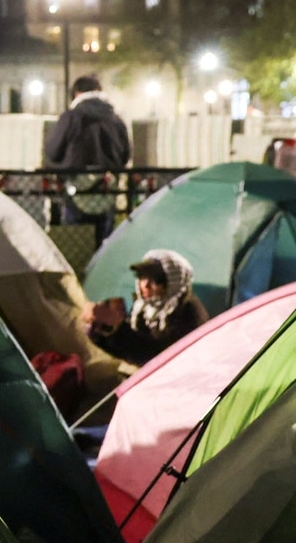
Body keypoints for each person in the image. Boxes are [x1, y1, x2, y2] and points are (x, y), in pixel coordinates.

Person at [84, 249, 208, 366]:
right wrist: (102, 330)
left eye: (155, 279)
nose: (145, 285)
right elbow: (130, 350)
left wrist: (119, 328)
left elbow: (157, 358)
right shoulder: (144, 308)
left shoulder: (186, 311)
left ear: (173, 281)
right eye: (142, 276)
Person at [45, 76, 130, 242]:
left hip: (76, 188)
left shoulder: (71, 117)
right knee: (104, 239)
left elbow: (53, 151)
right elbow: (125, 155)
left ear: (77, 93)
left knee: (76, 240)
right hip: (107, 188)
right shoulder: (115, 119)